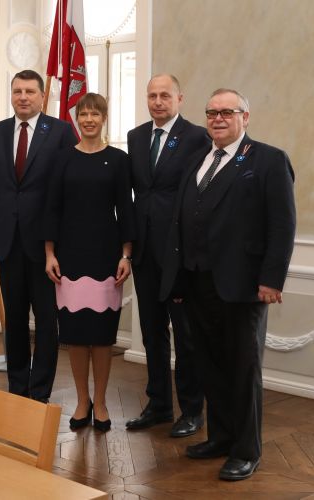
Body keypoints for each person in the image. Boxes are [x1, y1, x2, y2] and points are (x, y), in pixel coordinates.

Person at [160, 88, 296, 481]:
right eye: (211, 113)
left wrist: (271, 279)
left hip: (243, 287)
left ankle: (246, 450)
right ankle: (220, 438)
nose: (218, 119)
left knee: (243, 369)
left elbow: (282, 225)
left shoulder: (268, 160)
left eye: (227, 112)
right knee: (210, 366)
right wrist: (178, 278)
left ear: (244, 117)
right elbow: (183, 220)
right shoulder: (198, 160)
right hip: (197, 284)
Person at [0, 70, 77, 402]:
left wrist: (61, 243)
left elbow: (68, 189)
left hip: (46, 245)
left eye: (30, 91)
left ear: (41, 96)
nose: (23, 97)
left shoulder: (60, 131)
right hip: (7, 242)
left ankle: (40, 392)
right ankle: (18, 389)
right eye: (17, 91)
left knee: (47, 322)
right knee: (15, 320)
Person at [44, 93, 135, 432]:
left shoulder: (119, 160)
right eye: (84, 114)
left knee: (102, 335)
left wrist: (126, 255)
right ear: (77, 118)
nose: (89, 120)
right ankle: (82, 401)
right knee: (76, 334)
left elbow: (126, 210)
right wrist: (49, 254)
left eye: (95, 114)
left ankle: (102, 402)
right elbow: (51, 209)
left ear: (104, 118)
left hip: (107, 256)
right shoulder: (62, 159)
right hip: (68, 256)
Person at [125, 74, 209, 437]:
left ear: (179, 98)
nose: (157, 102)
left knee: (186, 336)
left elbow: (200, 196)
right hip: (144, 252)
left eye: (164, 96)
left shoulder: (196, 137)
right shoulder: (136, 137)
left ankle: (191, 410)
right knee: (152, 332)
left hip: (180, 254)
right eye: (152, 96)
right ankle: (158, 404)